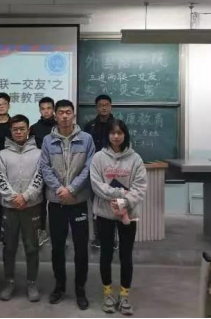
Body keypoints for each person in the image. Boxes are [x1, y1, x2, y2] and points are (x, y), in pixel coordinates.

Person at [40, 100, 96, 311]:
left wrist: (71, 189)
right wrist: (59, 189)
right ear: (55, 115)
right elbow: (45, 168)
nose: (64, 116)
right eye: (61, 112)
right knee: (57, 247)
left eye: (68, 112)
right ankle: (59, 286)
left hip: (78, 201)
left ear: (74, 115)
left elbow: (89, 167)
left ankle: (80, 289)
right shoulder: (47, 140)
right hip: (56, 202)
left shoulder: (86, 139)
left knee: (81, 248)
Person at [90, 119, 147, 316]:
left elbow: (140, 187)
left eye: (120, 133)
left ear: (125, 135)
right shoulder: (98, 157)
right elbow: (96, 184)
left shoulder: (136, 159)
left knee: (126, 255)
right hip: (104, 213)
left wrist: (125, 201)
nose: (116, 136)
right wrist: (120, 194)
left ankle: (124, 296)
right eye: (112, 133)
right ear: (107, 135)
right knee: (106, 254)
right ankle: (108, 294)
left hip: (128, 214)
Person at [0, 115, 44, 303]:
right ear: (11, 131)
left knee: (32, 247)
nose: (18, 132)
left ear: (28, 130)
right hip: (10, 208)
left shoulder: (39, 153)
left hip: (32, 207)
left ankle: (31, 283)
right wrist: (13, 197)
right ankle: (9, 282)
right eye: (15, 129)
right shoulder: (2, 154)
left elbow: (40, 177)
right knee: (9, 247)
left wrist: (26, 196)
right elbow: (0, 178)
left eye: (22, 128)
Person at [83, 95, 115, 250]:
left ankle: (112, 239)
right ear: (96, 107)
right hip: (94, 171)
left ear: (110, 106)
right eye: (101, 105)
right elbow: (84, 149)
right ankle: (98, 237)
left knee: (113, 203)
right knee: (96, 205)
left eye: (106, 104)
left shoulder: (117, 126)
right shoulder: (89, 126)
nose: (104, 107)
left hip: (113, 171)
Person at [29, 97, 57, 247]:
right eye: (43, 108)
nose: (46, 111)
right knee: (40, 201)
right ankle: (41, 231)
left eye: (49, 108)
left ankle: (57, 231)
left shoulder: (60, 126)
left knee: (56, 201)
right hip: (39, 169)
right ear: (39, 110)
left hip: (58, 170)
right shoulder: (34, 128)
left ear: (53, 109)